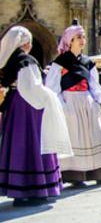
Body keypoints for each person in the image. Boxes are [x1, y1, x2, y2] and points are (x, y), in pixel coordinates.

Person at [0, 26, 71, 207]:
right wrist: (51, 96)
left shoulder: (7, 61)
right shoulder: (26, 60)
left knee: (18, 144)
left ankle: (18, 190)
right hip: (28, 106)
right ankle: (35, 189)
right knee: (34, 143)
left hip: (14, 104)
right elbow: (32, 88)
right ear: (25, 43)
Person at [46, 24, 101, 187]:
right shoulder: (60, 62)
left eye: (83, 37)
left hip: (87, 102)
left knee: (96, 135)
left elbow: (93, 84)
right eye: (79, 37)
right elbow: (52, 86)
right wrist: (63, 106)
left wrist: (96, 102)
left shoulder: (88, 62)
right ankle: (76, 177)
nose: (82, 40)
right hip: (69, 102)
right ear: (69, 40)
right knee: (75, 138)